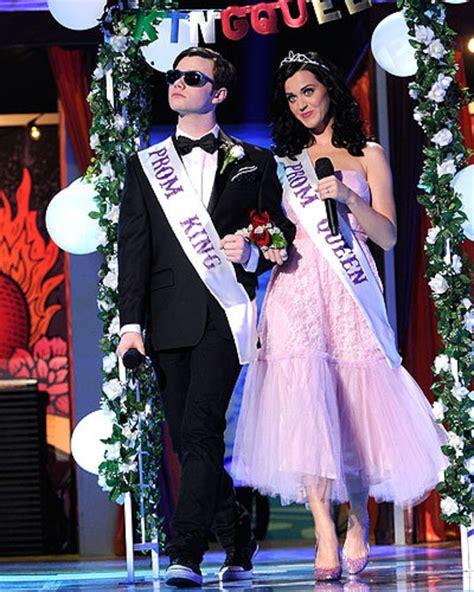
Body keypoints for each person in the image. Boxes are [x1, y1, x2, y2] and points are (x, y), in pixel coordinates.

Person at [231, 51, 449, 581]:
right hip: (297, 289)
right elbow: (269, 232)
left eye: (309, 91)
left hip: (351, 291)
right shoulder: (282, 162)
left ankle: (358, 521)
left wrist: (351, 197)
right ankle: (323, 531)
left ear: (329, 89)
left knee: (351, 411)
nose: (302, 103)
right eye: (291, 98)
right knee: (307, 406)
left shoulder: (367, 154)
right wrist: (268, 247)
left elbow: (390, 236)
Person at [117, 47, 295, 588]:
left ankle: (186, 553)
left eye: (192, 78)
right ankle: (237, 532)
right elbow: (135, 249)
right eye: (174, 76)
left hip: (224, 314)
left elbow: (279, 237)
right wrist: (130, 325)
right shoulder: (145, 166)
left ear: (217, 94)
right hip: (166, 318)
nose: (178, 83)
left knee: (201, 428)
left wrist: (250, 254)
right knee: (188, 440)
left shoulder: (255, 161)